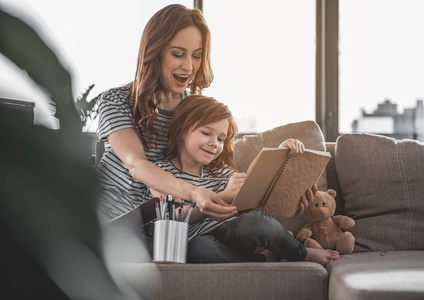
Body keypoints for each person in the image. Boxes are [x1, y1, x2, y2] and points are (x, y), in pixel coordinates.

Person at [96, 4, 314, 225]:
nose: (189, 67)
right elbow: (136, 165)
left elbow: (219, 173)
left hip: (170, 227)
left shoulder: (194, 113)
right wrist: (193, 193)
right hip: (114, 222)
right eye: (178, 54)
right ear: (155, 52)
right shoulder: (116, 101)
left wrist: (287, 195)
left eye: (197, 56)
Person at [150, 95, 340, 266]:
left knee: (256, 220)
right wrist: (223, 197)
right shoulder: (160, 172)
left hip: (235, 234)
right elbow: (167, 216)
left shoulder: (222, 172)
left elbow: (259, 197)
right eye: (206, 133)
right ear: (182, 130)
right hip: (196, 241)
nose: (214, 143)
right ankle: (266, 258)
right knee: (198, 249)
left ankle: (298, 251)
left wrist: (283, 158)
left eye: (220, 139)